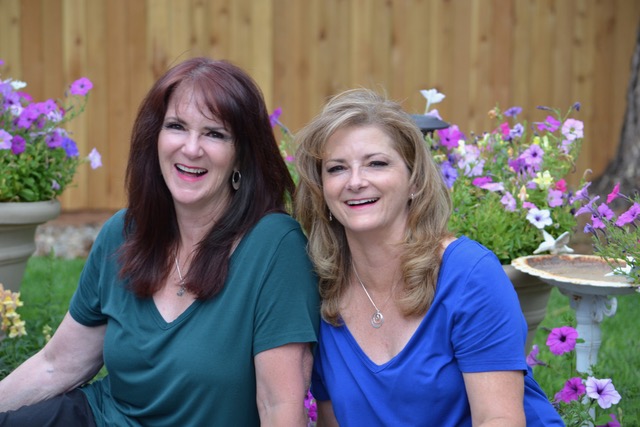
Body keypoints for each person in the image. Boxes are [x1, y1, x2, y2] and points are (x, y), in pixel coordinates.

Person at [0, 57, 320, 426]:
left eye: (214, 133)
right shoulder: (125, 231)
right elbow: (57, 366)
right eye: (176, 127)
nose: (191, 148)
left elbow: (280, 406)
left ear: (241, 156)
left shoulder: (274, 246)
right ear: (156, 137)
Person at [293, 88, 564, 426]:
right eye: (336, 169)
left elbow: (498, 419)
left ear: (415, 182)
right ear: (321, 189)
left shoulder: (467, 275)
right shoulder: (321, 287)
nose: (356, 181)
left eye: (377, 163)